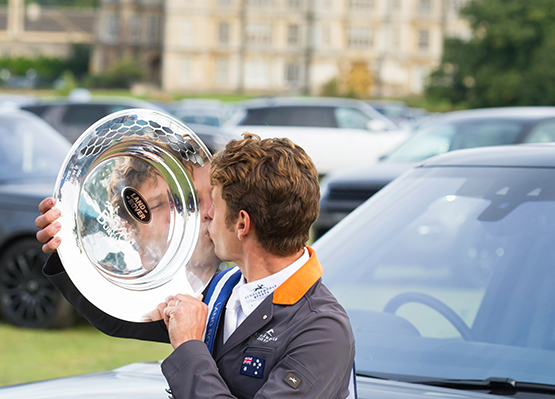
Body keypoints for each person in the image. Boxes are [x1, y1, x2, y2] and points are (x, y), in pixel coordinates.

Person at [36, 134, 355, 399]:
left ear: (242, 224)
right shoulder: (223, 288)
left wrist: (189, 346)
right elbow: (122, 316)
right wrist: (71, 246)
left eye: (213, 204)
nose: (206, 216)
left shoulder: (321, 332)